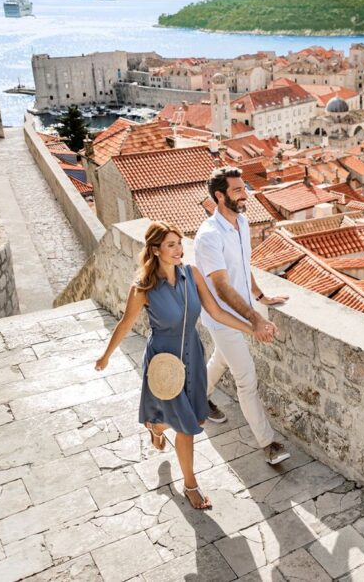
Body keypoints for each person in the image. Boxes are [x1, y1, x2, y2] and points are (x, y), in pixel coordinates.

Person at [95, 221, 264, 510]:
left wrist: (253, 328)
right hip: (164, 361)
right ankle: (191, 485)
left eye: (179, 243)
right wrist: (106, 356)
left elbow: (216, 312)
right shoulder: (143, 288)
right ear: (155, 250)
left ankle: (157, 425)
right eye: (170, 245)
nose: (178, 250)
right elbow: (124, 324)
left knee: (194, 419)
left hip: (192, 356)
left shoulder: (191, 274)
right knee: (187, 426)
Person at [195, 166, 291, 465]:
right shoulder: (209, 236)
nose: (244, 195)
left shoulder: (243, 223)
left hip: (243, 310)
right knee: (246, 379)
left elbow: (243, 266)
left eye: (243, 189)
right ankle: (268, 443)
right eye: (237, 190)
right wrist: (256, 319)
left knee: (220, 360)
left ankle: (197, 399)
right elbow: (222, 287)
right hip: (223, 319)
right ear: (219, 196)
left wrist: (261, 297)